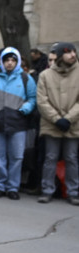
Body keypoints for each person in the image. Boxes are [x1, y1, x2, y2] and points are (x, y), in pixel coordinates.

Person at [0, 47, 37, 200]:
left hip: (18, 123)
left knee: (16, 157)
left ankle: (13, 187)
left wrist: (25, 109)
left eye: (13, 60)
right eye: (7, 60)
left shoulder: (26, 78)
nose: (10, 63)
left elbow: (32, 98)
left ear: (18, 62)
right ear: (2, 61)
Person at [36, 42, 79, 204]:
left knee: (72, 158)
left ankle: (73, 191)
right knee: (50, 157)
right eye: (69, 52)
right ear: (60, 56)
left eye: (74, 52)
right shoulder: (45, 75)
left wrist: (68, 119)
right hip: (51, 124)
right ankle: (47, 190)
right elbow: (42, 101)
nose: (73, 55)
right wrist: (56, 119)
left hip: (74, 124)